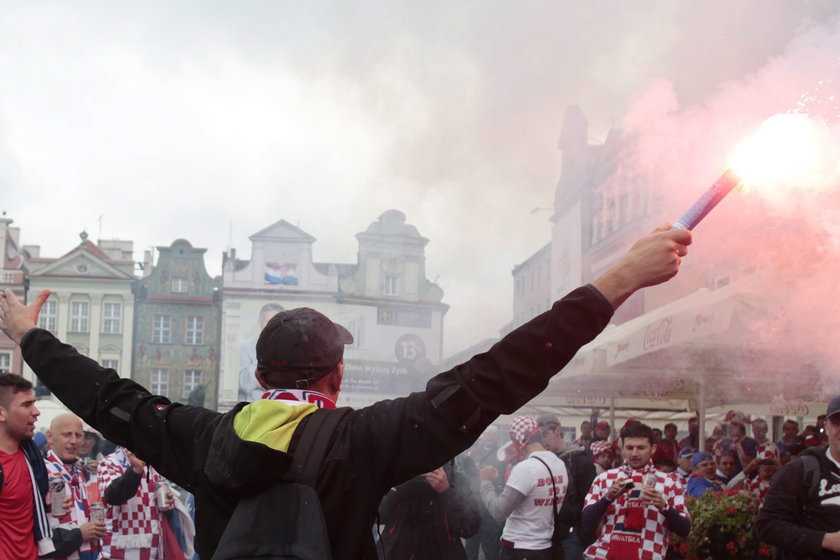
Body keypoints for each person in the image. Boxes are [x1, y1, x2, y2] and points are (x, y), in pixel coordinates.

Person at [0, 226, 692, 560]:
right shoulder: (365, 438)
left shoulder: (200, 435)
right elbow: (498, 375)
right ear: (334, 376)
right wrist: (617, 280)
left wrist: (33, 338)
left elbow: (105, 396)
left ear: (261, 374)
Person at [581, 422, 690, 560]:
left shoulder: (669, 482)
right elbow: (586, 522)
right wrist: (607, 498)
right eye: (630, 448)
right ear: (622, 449)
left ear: (653, 448)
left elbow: (685, 530)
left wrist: (664, 507)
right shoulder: (605, 478)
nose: (634, 453)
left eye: (641, 448)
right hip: (604, 555)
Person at [0, 373, 80, 559]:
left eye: (34, 403)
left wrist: (44, 504)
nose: (36, 411)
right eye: (26, 405)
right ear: (2, 413)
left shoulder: (30, 456)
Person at [756, 396, 840, 559]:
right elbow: (767, 526)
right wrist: (825, 540)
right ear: (826, 427)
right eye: (838, 421)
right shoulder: (799, 471)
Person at [480, 416, 568, 560]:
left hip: (519, 549)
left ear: (516, 440)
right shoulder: (559, 463)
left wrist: (486, 482)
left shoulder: (525, 468)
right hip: (546, 548)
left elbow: (499, 511)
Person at [377, 458, 480, 560]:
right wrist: (396, 488)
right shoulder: (399, 475)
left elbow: (470, 528)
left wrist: (446, 492)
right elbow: (379, 518)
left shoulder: (456, 480)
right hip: (395, 552)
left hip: (443, 553)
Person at [44, 413, 107, 560]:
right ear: (50, 437)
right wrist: (80, 534)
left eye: (78, 435)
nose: (74, 441)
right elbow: (39, 536)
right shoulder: (41, 471)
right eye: (67, 435)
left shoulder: (77, 471)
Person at [97, 447, 174, 560]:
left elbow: (158, 512)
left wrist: (169, 505)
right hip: (117, 555)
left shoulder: (154, 464)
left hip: (153, 553)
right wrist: (135, 470)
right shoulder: (110, 462)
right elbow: (113, 497)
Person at [536, 414, 596, 560]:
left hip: (572, 534)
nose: (543, 440)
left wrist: (582, 533)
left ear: (558, 431)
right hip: (546, 533)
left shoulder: (580, 459)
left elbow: (590, 499)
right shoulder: (540, 460)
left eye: (545, 434)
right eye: (539, 436)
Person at [465, 426, 505, 560]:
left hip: (491, 501)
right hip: (474, 503)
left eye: (492, 435)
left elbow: (504, 476)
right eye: (487, 435)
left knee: (491, 544)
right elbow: (467, 474)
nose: (490, 437)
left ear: (497, 437)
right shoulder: (473, 451)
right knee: (471, 543)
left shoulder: (502, 453)